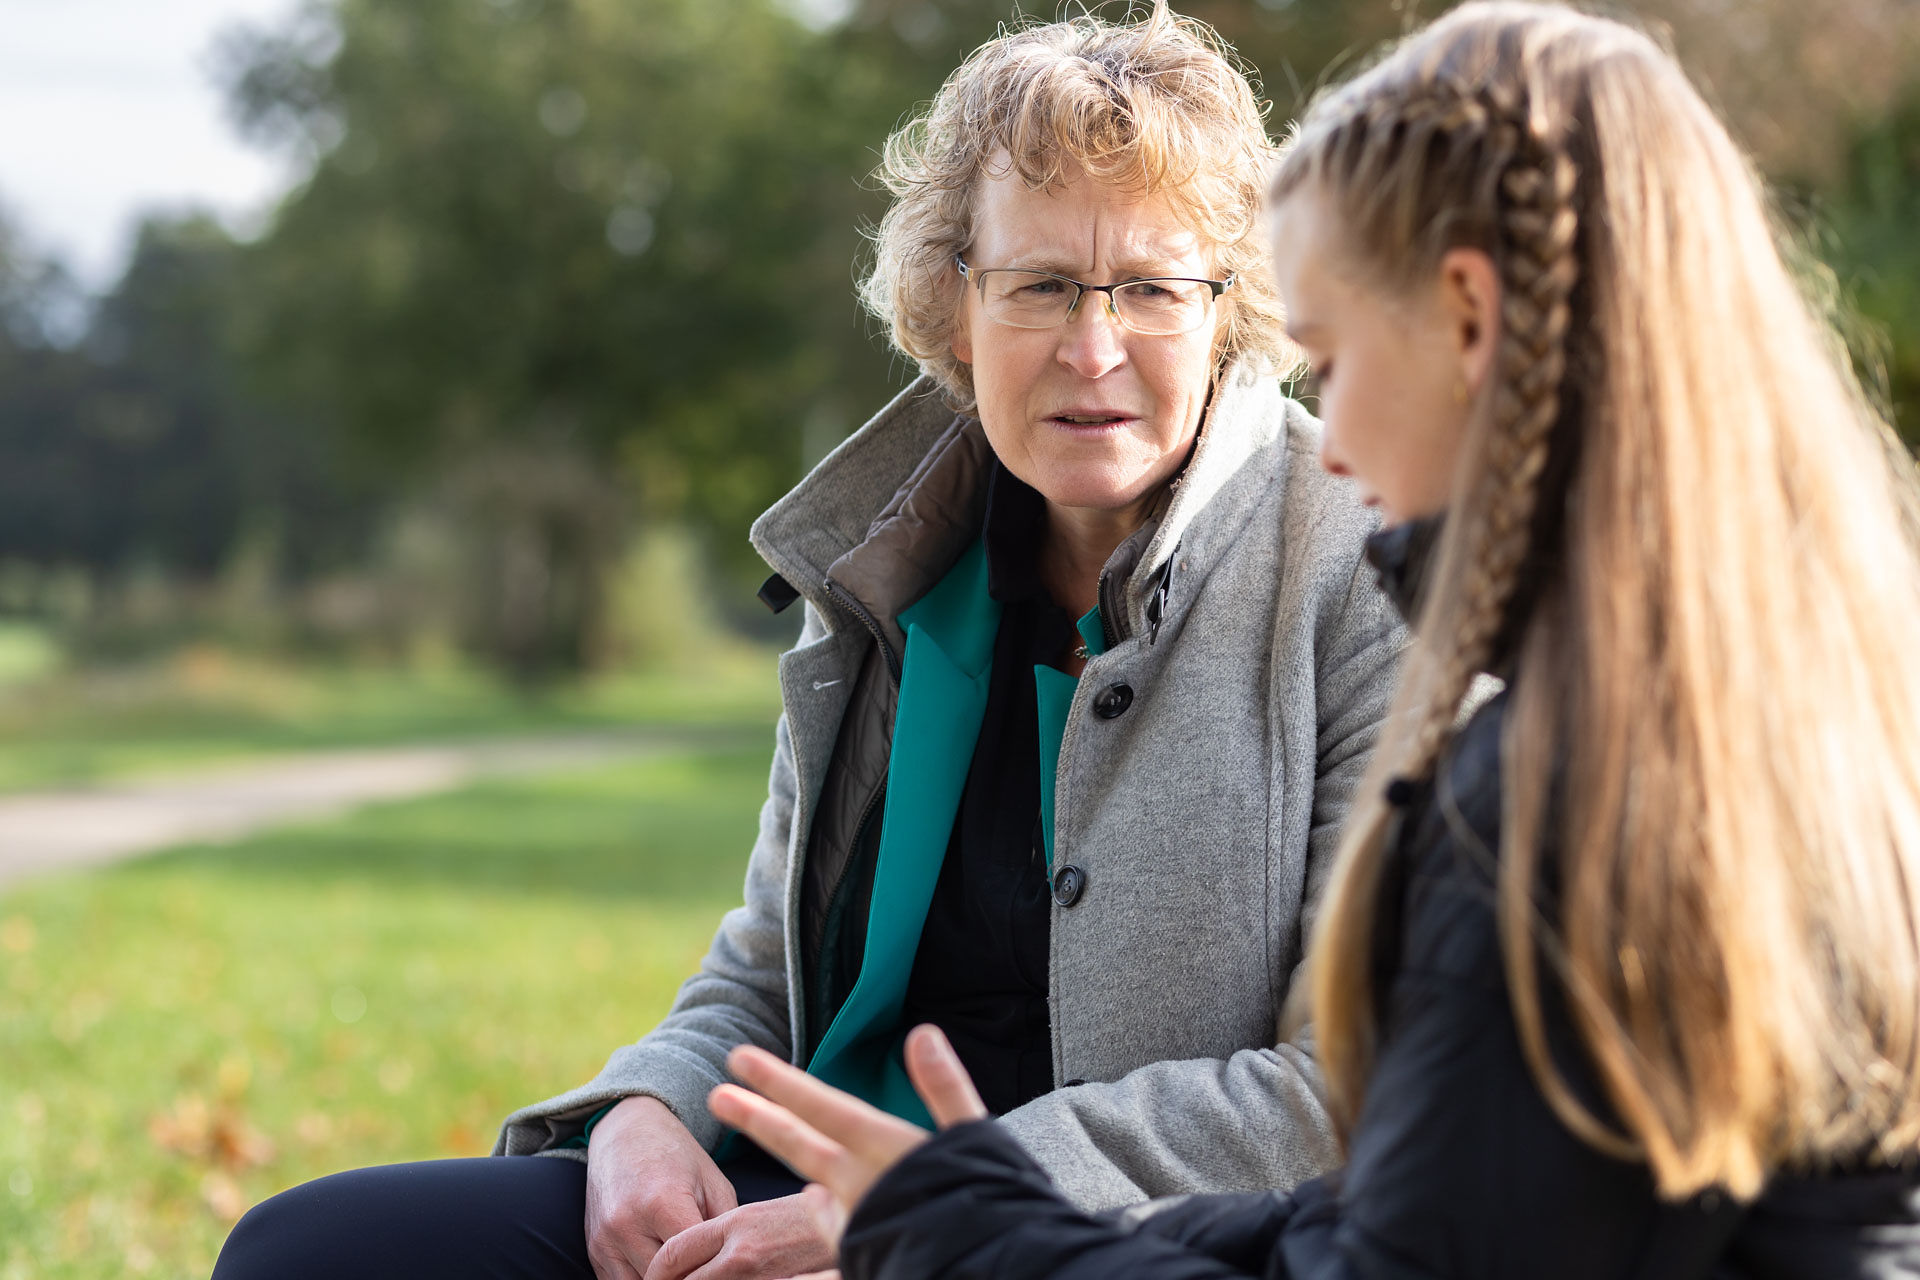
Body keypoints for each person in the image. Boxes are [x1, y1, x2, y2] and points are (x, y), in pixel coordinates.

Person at [704, 3, 1920, 1277]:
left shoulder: (1573, 788)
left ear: (1465, 318)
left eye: (1330, 363)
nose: (1326, 441)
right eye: (1045, 284)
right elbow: (1411, 1224)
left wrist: (980, 1229)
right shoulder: (1748, 712)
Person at [212, 10, 1403, 1279]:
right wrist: (646, 1109)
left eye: (1154, 289)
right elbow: (768, 968)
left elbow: (1346, 1082)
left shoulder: (1359, 568)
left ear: (1230, 310)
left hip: (1120, 1240)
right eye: (1041, 283)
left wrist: (938, 1206)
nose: (1091, 345)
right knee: (310, 1251)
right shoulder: (888, 567)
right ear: (956, 304)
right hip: (802, 1198)